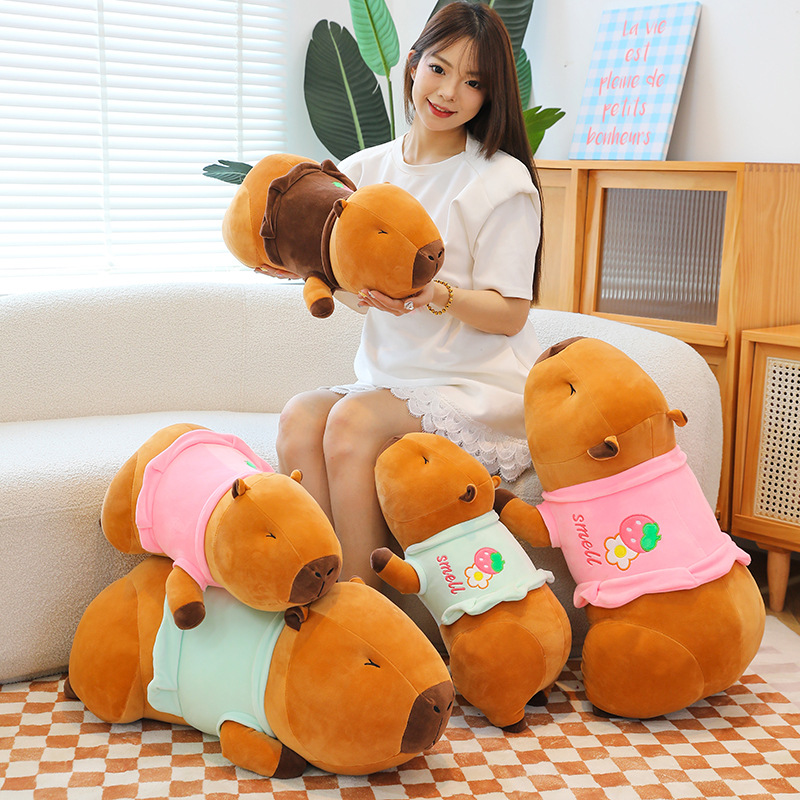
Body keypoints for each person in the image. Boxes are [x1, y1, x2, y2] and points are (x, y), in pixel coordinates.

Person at [274, 1, 545, 585]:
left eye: (473, 82)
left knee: (350, 423)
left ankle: (368, 612)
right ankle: (322, 601)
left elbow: (511, 314)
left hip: (474, 382)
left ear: (491, 94)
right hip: (391, 376)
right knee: (299, 418)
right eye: (439, 69)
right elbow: (345, 275)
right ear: (414, 64)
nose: (448, 92)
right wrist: (301, 268)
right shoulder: (363, 172)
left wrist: (436, 295)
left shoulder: (500, 180)